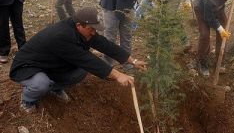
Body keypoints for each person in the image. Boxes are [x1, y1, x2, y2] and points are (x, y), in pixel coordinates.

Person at [9, 7, 147, 113]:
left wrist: (133, 61)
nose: (94, 32)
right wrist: (117, 75)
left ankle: (55, 88)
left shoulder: (83, 30)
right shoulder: (61, 36)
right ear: (79, 25)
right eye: (92, 29)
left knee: (80, 72)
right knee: (41, 84)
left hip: (52, 64)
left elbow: (106, 45)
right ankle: (27, 101)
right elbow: (87, 60)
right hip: (29, 66)